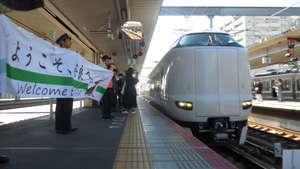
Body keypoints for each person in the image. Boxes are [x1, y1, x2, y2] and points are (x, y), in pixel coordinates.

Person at [55, 34, 77, 134]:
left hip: (69, 83)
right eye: (68, 40)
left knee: (68, 105)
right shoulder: (57, 53)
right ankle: (60, 127)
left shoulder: (70, 54)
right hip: (61, 83)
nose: (70, 42)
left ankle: (67, 125)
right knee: (61, 105)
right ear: (62, 42)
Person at [98, 55, 115, 120]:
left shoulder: (110, 68)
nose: (109, 61)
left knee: (110, 101)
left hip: (110, 86)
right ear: (103, 60)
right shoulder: (100, 67)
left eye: (109, 60)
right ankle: (105, 115)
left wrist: (113, 76)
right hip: (103, 87)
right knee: (104, 102)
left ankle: (109, 114)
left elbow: (110, 78)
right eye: (107, 60)